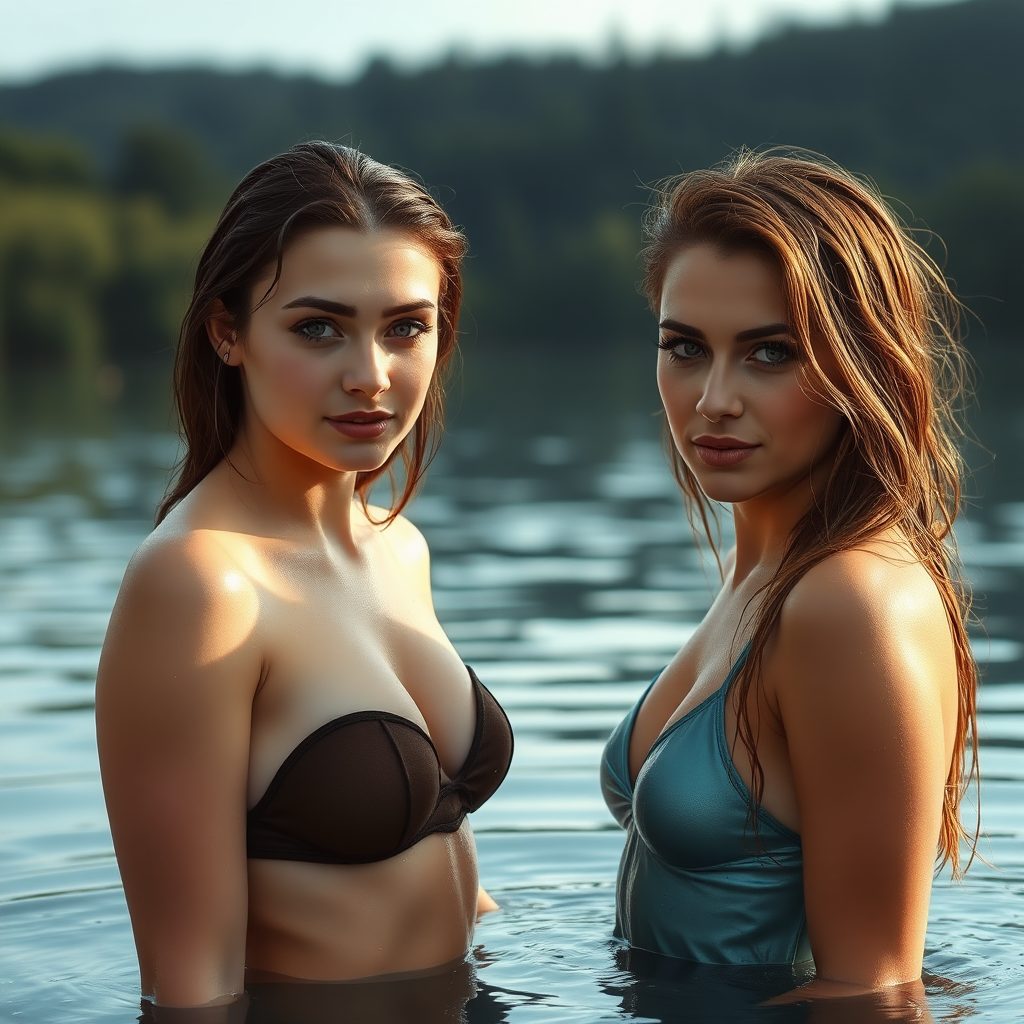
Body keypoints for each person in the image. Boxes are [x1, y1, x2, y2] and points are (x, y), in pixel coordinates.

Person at [95, 142, 513, 1012]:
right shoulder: (199, 584)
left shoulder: (398, 548)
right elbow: (190, 987)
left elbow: (448, 867)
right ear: (227, 332)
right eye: (319, 328)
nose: (371, 377)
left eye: (406, 326)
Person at [600, 150, 977, 1005]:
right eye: (685, 349)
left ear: (864, 365)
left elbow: (870, 994)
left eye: (771, 354)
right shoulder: (763, 572)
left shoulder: (853, 603)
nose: (713, 399)